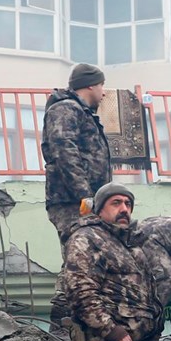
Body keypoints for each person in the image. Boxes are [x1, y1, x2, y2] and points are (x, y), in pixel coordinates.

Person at [63, 183, 162, 341]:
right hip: (100, 337)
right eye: (116, 203)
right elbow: (79, 290)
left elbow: (151, 302)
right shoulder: (86, 238)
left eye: (128, 204)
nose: (124, 209)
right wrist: (111, 330)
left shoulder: (135, 248)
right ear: (99, 210)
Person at [41, 63, 112, 245]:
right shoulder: (65, 108)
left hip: (86, 200)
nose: (103, 93)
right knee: (78, 256)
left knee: (92, 257)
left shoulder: (82, 112)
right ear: (90, 85)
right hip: (72, 201)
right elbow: (64, 150)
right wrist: (83, 193)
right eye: (101, 85)